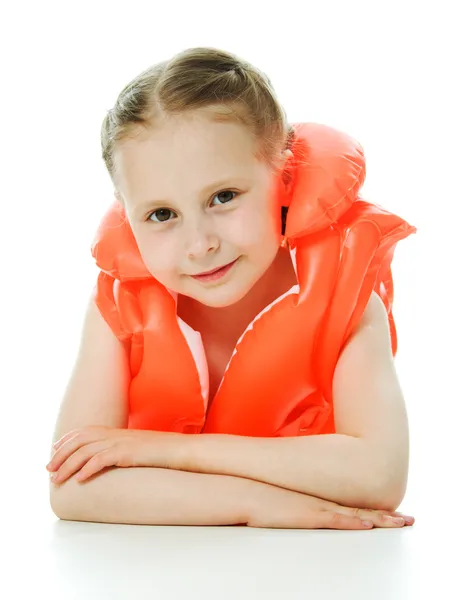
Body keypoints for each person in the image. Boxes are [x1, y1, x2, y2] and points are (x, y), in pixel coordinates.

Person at [47, 46, 415, 530]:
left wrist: (166, 452)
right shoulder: (120, 307)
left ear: (284, 176)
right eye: (162, 214)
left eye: (223, 197)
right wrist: (258, 505)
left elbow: (378, 476)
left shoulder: (345, 302)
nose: (200, 245)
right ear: (125, 211)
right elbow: (73, 487)